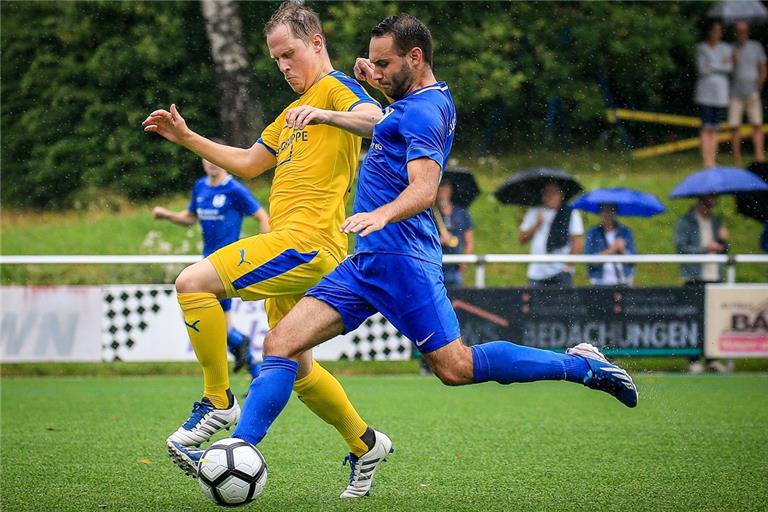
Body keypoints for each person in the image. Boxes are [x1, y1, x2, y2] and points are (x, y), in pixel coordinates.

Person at [170, 13, 638, 499]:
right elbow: (378, 115)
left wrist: (379, 210)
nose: (375, 72)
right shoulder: (408, 100)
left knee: (455, 368)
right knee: (281, 343)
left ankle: (581, 365)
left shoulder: (424, 112)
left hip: (404, 259)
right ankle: (240, 446)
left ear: (415, 58)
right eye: (373, 63)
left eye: (384, 63)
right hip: (365, 261)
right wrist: (372, 80)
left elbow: (424, 188)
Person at [143, 1, 386, 493]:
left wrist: (327, 114)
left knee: (193, 283)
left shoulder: (337, 90)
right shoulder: (288, 113)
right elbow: (252, 163)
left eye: (290, 54)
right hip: (296, 247)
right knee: (295, 366)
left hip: (306, 243)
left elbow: (375, 119)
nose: (284, 67)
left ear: (316, 42)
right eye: (276, 60)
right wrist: (187, 137)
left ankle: (217, 400)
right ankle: (365, 442)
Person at [153, 152, 270, 379]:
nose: (212, 163)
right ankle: (250, 362)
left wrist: (264, 248)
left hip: (226, 265)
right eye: (207, 158)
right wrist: (167, 215)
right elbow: (190, 218)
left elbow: (262, 217)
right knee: (213, 323)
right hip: (206, 264)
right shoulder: (200, 187)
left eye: (217, 158)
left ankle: (243, 352)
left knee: (207, 320)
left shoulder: (234, 190)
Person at [674, 194, 730, 374]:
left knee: (714, 320)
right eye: (707, 204)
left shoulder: (716, 222)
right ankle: (694, 359)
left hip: (714, 276)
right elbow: (681, 248)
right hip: (694, 277)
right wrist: (705, 249)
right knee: (694, 320)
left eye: (712, 204)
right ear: (699, 202)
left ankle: (712, 358)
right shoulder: (685, 222)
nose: (710, 208)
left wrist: (723, 240)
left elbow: (723, 249)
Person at [517, 182, 584, 288]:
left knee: (563, 304)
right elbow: (521, 239)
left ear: (562, 195)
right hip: (537, 273)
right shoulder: (534, 212)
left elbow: (577, 241)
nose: (550, 196)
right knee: (537, 304)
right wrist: (536, 225)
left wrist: (568, 266)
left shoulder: (570, 213)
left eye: (554, 193)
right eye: (547, 193)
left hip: (561, 272)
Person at [695, 20, 733, 168]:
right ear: (709, 32)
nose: (717, 34)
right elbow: (702, 69)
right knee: (706, 127)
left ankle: (712, 159)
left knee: (715, 128)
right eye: (714, 30)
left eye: (719, 31)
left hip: (720, 95)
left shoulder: (726, 48)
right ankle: (706, 160)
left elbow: (729, 67)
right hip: (705, 94)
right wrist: (720, 64)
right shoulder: (701, 48)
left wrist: (711, 65)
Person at [728, 20, 766, 165]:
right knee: (734, 126)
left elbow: (763, 67)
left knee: (757, 124)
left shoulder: (756, 47)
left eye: (743, 30)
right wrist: (732, 61)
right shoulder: (731, 48)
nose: (741, 33)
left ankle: (759, 157)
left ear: (747, 31)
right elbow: (726, 69)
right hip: (735, 93)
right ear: (735, 32)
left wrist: (759, 84)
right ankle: (737, 158)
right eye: (738, 31)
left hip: (752, 92)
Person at [584, 204, 636, 286]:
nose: (606, 214)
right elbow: (589, 260)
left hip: (624, 280)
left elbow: (633, 260)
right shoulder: (593, 233)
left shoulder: (625, 232)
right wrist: (611, 250)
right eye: (604, 210)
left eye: (610, 210)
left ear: (615, 212)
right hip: (600, 282)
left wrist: (623, 250)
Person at [437, 180, 474, 288]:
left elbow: (469, 242)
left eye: (446, 190)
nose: (443, 194)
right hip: (436, 269)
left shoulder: (462, 213)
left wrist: (463, 267)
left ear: (450, 192)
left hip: (455, 269)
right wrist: (440, 240)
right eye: (441, 190)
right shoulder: (431, 213)